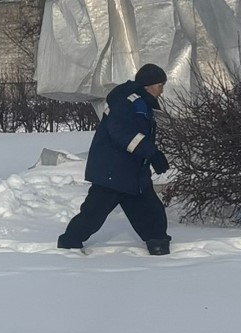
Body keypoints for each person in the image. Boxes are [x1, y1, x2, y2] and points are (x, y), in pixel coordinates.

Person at [58, 63, 172, 255]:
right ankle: (69, 243)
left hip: (131, 171)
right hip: (113, 170)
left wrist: (150, 155)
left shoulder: (140, 103)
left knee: (151, 209)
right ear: (148, 85)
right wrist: (151, 153)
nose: (162, 91)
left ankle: (158, 242)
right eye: (160, 85)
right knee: (94, 213)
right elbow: (121, 133)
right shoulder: (127, 102)